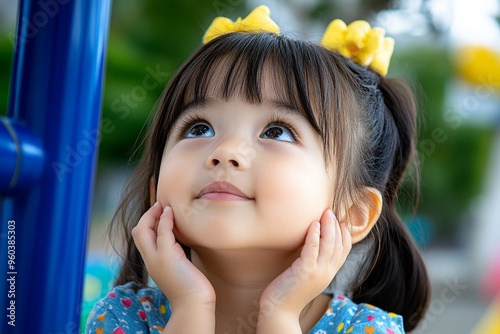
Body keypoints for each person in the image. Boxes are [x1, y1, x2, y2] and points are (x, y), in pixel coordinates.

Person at [86, 5, 430, 334]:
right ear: (154, 189)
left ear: (352, 213)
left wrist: (279, 315)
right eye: (199, 128)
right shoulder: (125, 318)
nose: (225, 152)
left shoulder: (367, 330)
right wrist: (191, 307)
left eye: (276, 131)